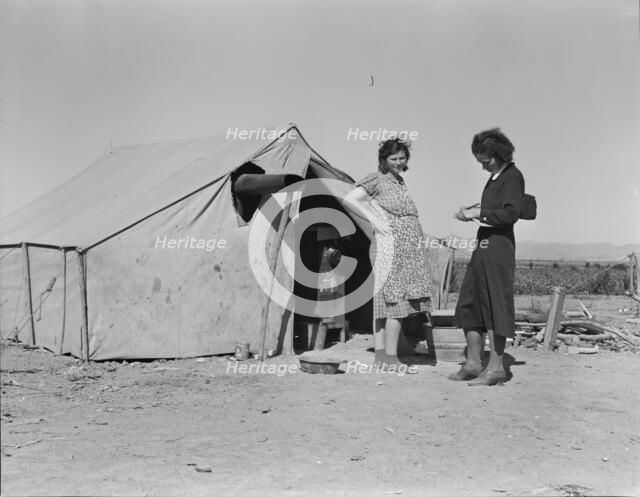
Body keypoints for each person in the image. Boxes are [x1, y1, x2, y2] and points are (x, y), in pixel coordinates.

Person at [346, 138, 432, 368]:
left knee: (385, 303)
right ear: (384, 160)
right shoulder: (377, 179)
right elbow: (350, 199)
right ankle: (391, 358)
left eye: (402, 158)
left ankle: (382, 356)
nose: (398, 162)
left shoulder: (399, 181)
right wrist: (373, 220)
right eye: (393, 159)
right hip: (390, 247)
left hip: (406, 250)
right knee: (396, 302)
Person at [451, 128, 525, 386]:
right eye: (480, 161)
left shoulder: (512, 177)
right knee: (470, 301)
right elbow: (493, 211)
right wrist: (475, 212)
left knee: (495, 304)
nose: (483, 166)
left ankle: (496, 368)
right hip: (483, 245)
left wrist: (476, 214)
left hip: (499, 248)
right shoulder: (494, 178)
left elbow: (510, 214)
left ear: (500, 153)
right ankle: (473, 363)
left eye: (486, 160)